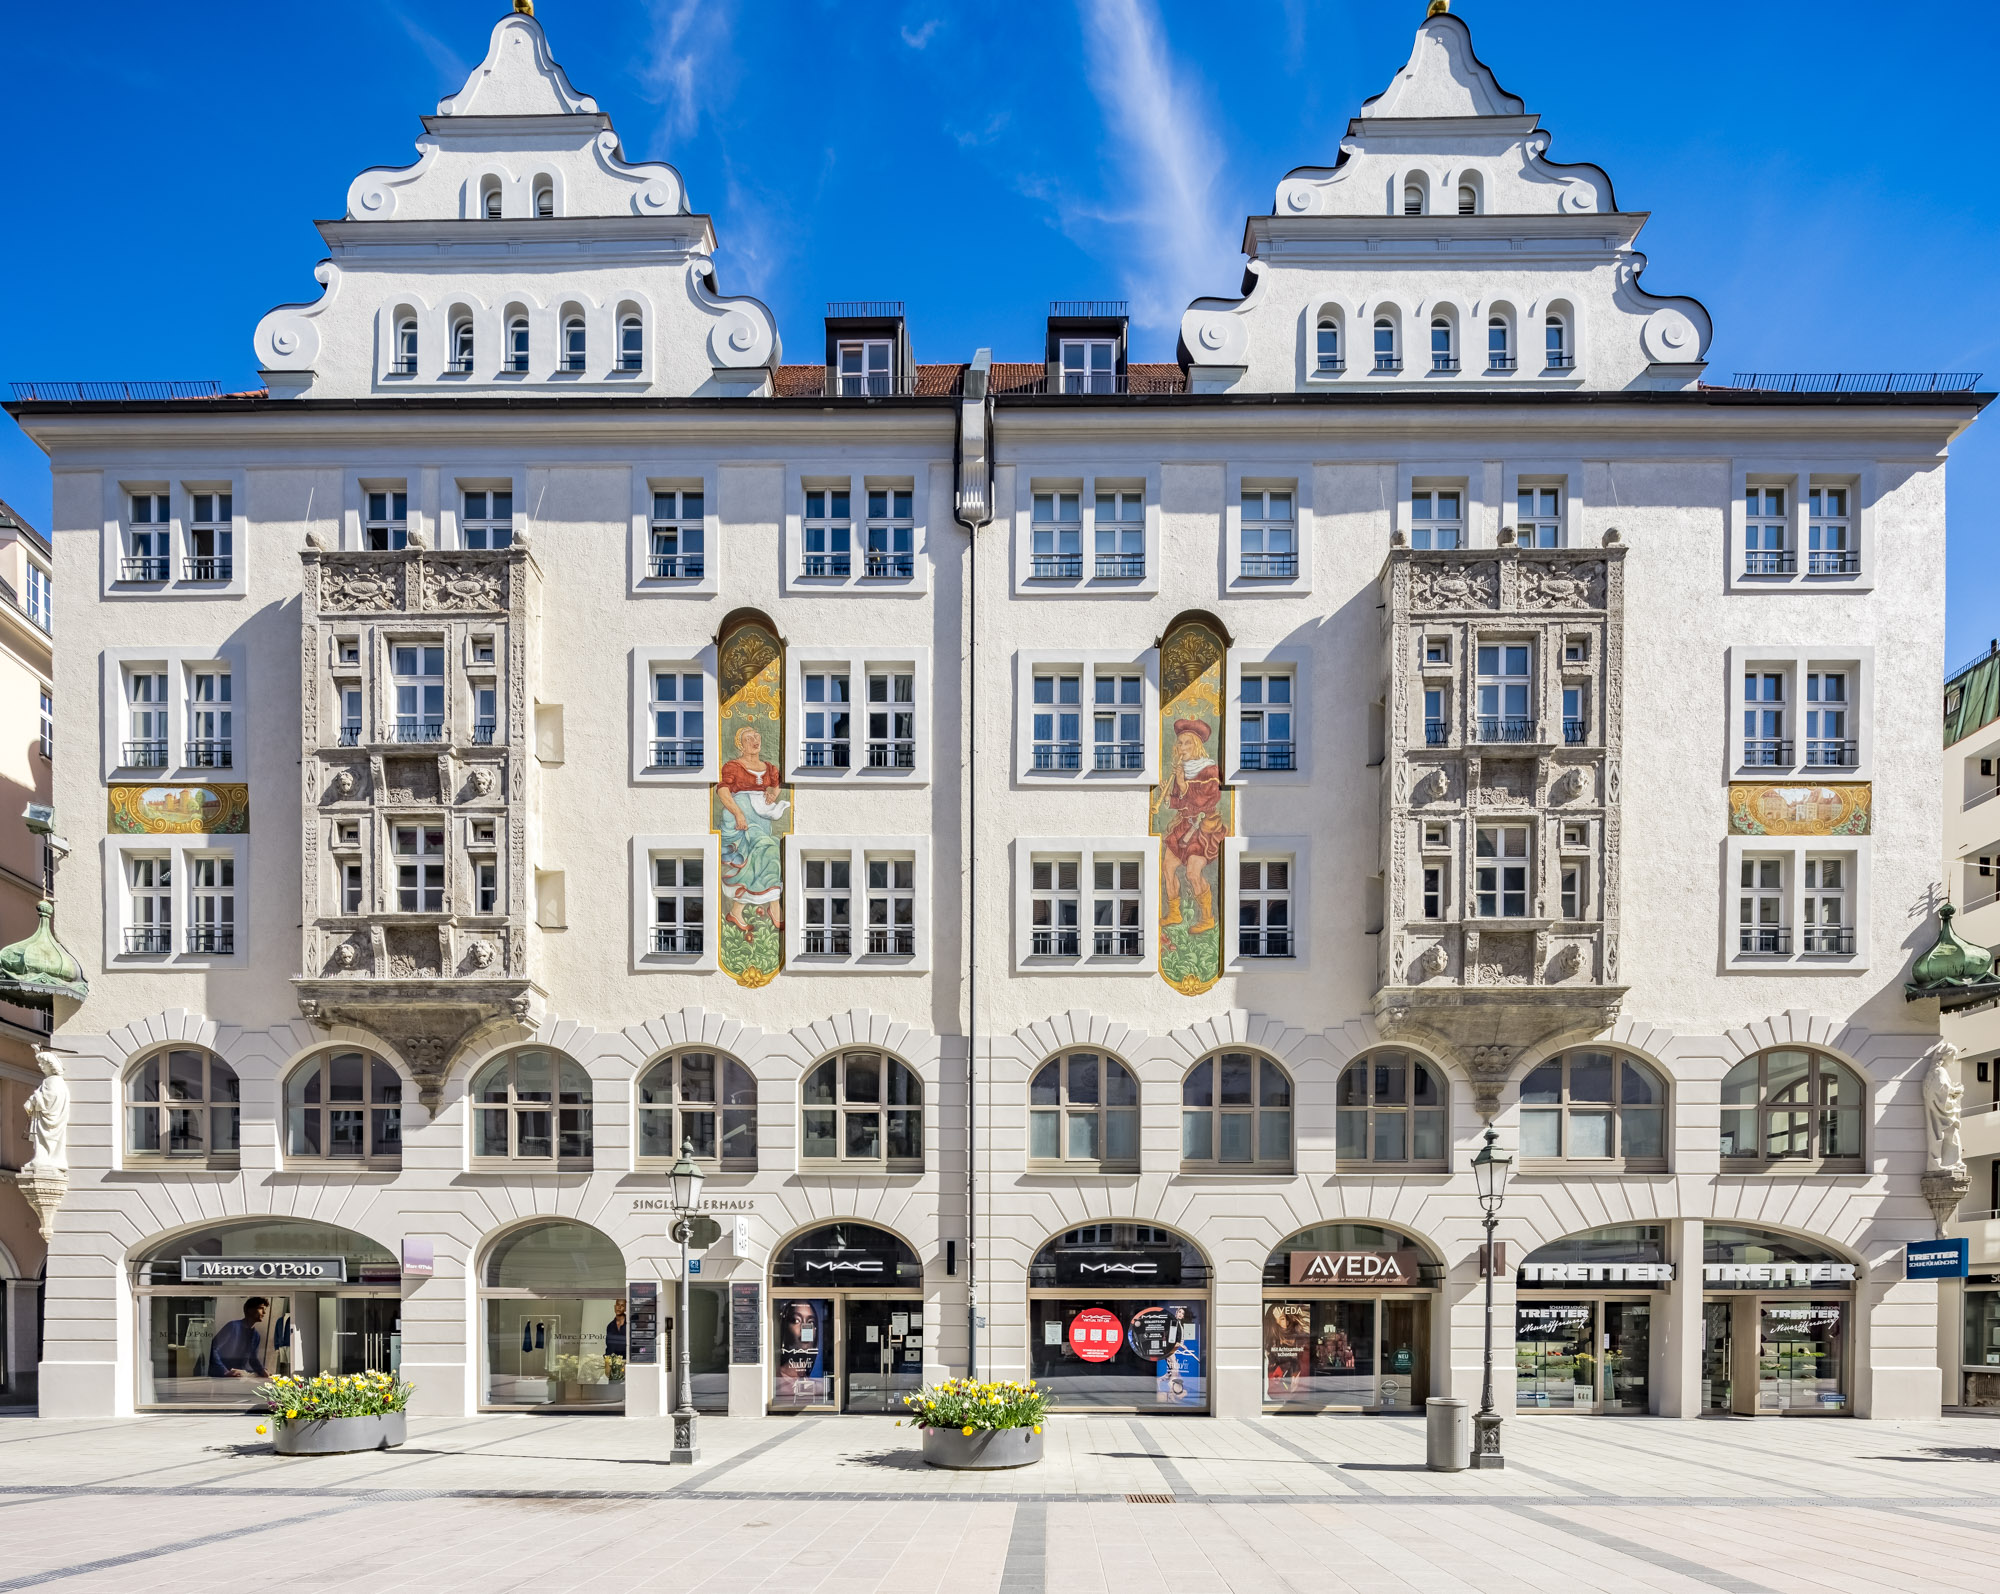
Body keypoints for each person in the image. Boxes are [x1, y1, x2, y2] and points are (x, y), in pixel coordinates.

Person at [716, 724, 787, 934]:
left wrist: (773, 793)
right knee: (768, 851)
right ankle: (775, 907)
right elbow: (723, 791)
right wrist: (738, 813)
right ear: (740, 744)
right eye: (748, 739)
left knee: (760, 860)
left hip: (762, 818)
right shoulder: (733, 766)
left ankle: (737, 910)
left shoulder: (770, 767)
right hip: (740, 817)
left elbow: (777, 784)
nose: (755, 741)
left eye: (757, 736)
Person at [1160, 718, 1224, 933]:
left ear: (1197, 745)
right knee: (1168, 868)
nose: (1183, 747)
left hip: (1203, 828)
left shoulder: (1210, 770)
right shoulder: (1182, 769)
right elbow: (1181, 803)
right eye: (1180, 743)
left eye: (1187, 743)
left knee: (1192, 873)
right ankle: (1175, 913)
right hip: (1184, 825)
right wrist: (1168, 796)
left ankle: (1207, 918)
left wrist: (1183, 785)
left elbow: (1208, 799)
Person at [207, 1297, 270, 1380]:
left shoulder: (256, 1335)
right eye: (261, 1308)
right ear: (249, 1310)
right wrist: (224, 1371)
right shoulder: (232, 1326)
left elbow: (253, 1359)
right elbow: (213, 1348)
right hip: (219, 1376)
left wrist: (262, 1370)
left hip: (237, 1376)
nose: (264, 1312)